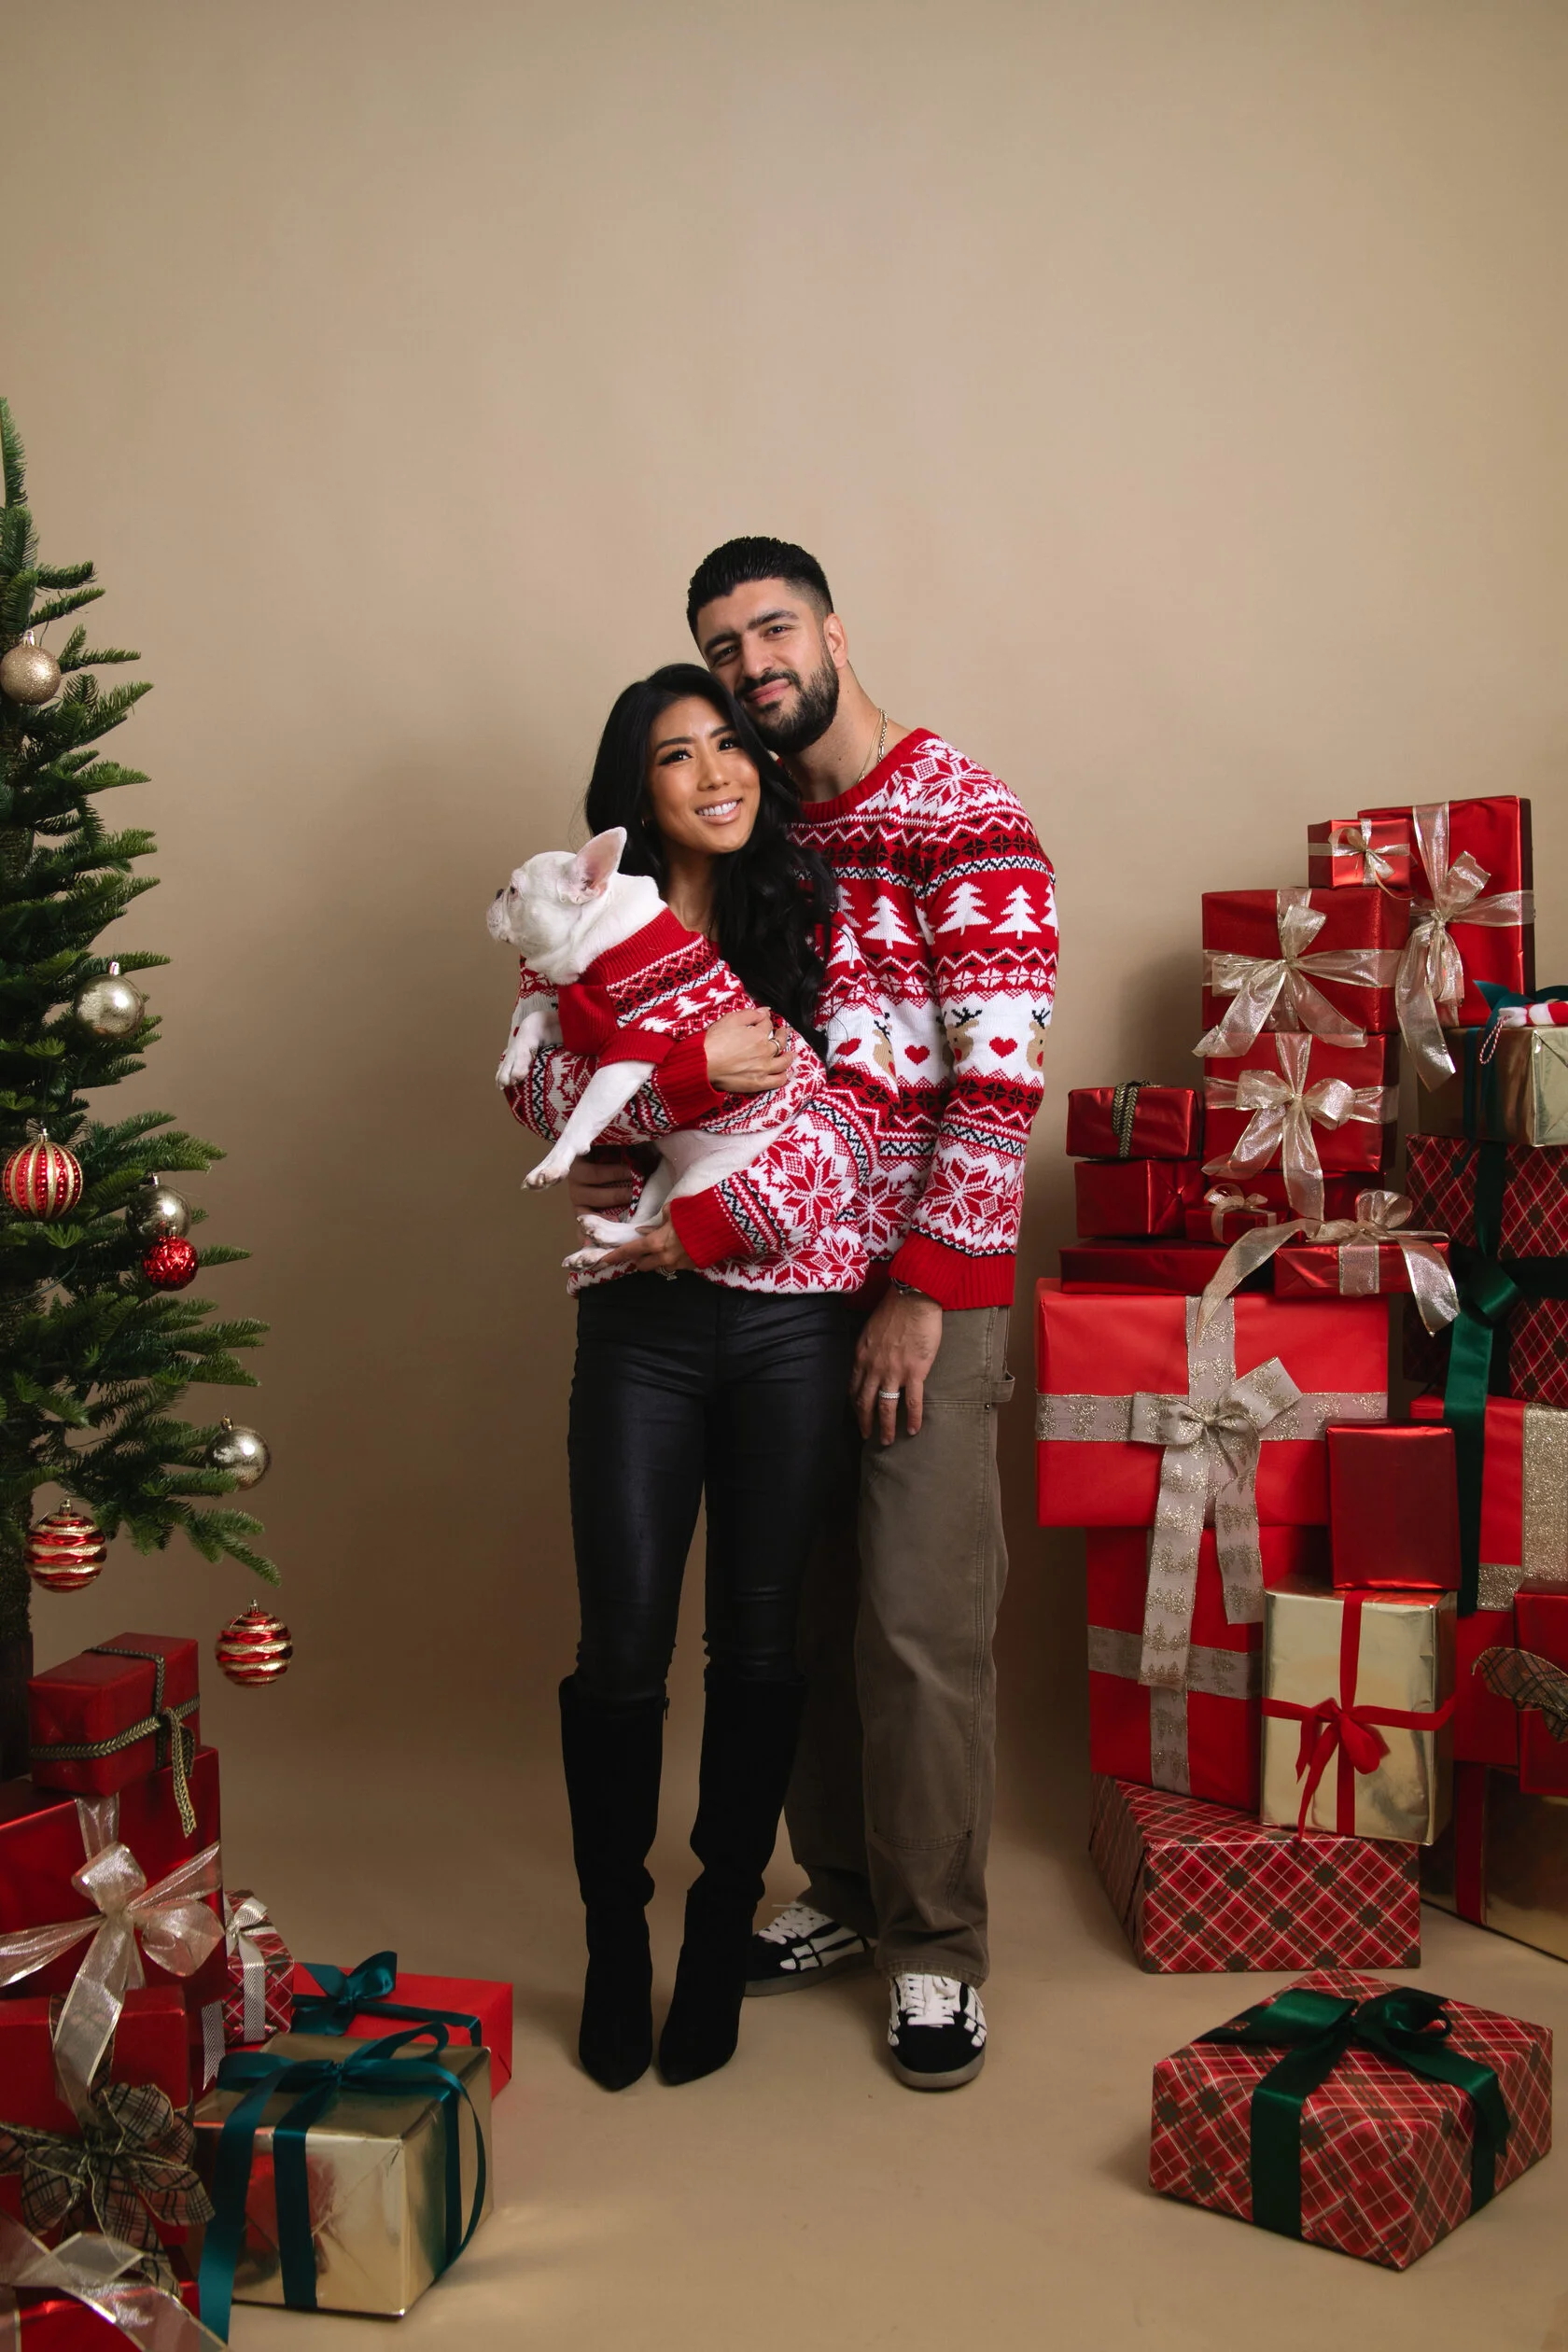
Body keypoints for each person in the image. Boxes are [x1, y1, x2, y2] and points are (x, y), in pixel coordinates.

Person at [572, 541, 1057, 2091]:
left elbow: (996, 1087)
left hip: (925, 1285)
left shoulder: (960, 815)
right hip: (796, 1289)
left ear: (834, 631)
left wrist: (923, 1293)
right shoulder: (779, 824)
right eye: (723, 650)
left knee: (917, 1623)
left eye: (773, 630)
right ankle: (840, 1896)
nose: (753, 665)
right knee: (810, 1613)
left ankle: (937, 1953)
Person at [501, 663, 892, 2093]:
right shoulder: (591, 918)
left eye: (731, 743)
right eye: (679, 754)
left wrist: (687, 1222)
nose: (718, 771)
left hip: (788, 1320)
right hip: (642, 1338)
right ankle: (619, 1938)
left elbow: (851, 1137)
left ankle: (724, 1924)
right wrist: (683, 1090)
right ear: (635, 792)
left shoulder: (825, 912)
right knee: (621, 1648)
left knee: (763, 1644)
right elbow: (542, 1093)